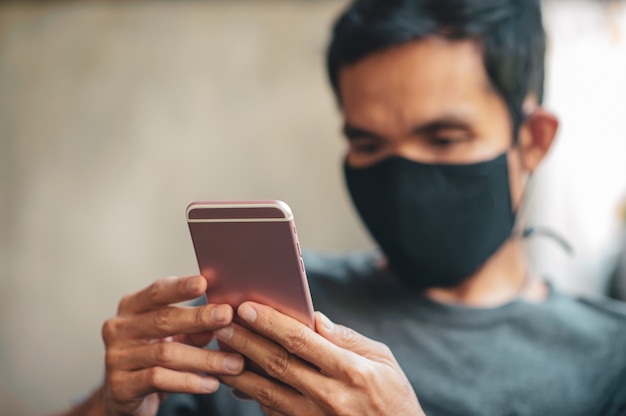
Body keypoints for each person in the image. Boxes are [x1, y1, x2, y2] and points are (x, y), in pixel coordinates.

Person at [60, 0, 626, 415]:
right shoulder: (260, 313)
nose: (404, 182)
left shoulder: (608, 358)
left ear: (533, 141)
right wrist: (114, 404)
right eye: (369, 145)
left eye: (444, 138)